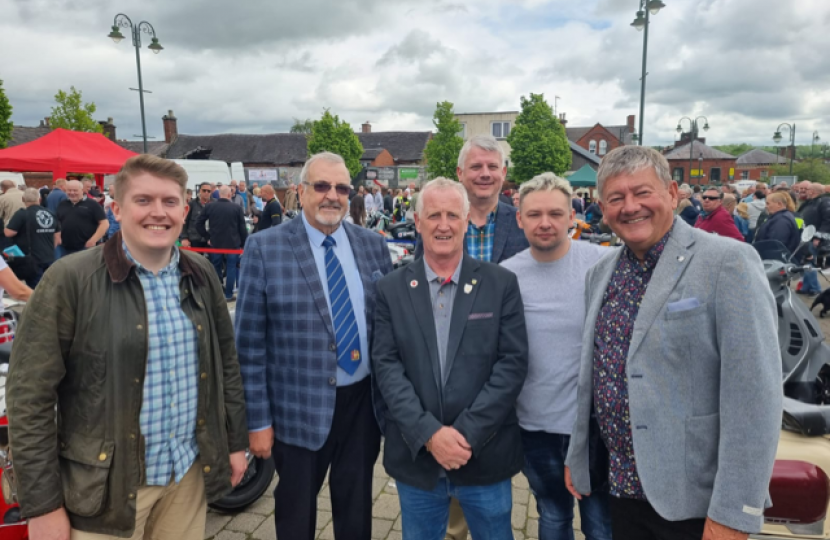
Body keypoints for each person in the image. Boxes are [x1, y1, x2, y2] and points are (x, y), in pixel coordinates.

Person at [6, 154, 249, 540]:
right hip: (104, 493)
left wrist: (237, 444)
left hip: (186, 478)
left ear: (184, 211)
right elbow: (29, 397)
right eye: (143, 200)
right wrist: (44, 505)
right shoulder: (70, 280)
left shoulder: (200, 272)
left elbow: (226, 367)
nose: (159, 213)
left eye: (170, 202)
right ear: (117, 208)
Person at [563, 146, 781, 540]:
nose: (630, 207)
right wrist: (578, 455)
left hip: (693, 502)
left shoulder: (727, 262)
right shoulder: (601, 273)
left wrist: (735, 512)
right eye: (616, 198)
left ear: (672, 192)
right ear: (603, 207)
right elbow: (593, 377)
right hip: (622, 487)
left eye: (642, 192)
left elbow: (755, 398)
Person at [236, 151, 393, 540]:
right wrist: (257, 422)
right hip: (296, 409)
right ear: (301, 191)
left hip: (361, 407)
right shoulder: (265, 248)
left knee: (356, 512)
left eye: (341, 188)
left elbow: (387, 331)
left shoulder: (372, 245)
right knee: (295, 514)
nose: (332, 196)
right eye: (321, 186)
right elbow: (249, 346)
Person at [372, 177, 528, 540]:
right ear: (418, 221)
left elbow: (512, 364)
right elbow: (387, 367)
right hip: (418, 463)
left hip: (484, 456)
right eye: (434, 215)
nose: (443, 225)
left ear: (466, 218)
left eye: (452, 215)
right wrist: (429, 434)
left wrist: (465, 434)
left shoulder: (500, 284)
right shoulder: (390, 289)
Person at [501, 173, 611, 540]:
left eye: (554, 213)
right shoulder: (506, 276)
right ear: (519, 219)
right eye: (533, 214)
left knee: (600, 523)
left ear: (571, 217)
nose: (544, 223)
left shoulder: (604, 264)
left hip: (594, 427)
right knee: (552, 513)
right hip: (534, 425)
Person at [414, 135, 529, 264]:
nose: (485, 174)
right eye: (476, 167)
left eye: (492, 167)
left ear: (503, 173)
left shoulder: (524, 223)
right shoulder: (435, 226)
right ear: (460, 173)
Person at [196, 185, 247, 301]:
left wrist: (207, 236)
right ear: (229, 195)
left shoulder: (210, 206)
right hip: (233, 243)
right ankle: (228, 294)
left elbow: (198, 223)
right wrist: (244, 243)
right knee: (231, 268)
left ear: (219, 195)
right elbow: (242, 227)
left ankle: (218, 291)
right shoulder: (236, 208)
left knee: (216, 266)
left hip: (215, 243)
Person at [4, 188, 61, 287]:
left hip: (31, 260)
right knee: (49, 287)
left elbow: (9, 233)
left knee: (35, 290)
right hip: (49, 258)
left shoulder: (22, 213)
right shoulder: (50, 213)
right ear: (39, 199)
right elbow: (58, 238)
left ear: (23, 199)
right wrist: (49, 249)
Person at [56, 179, 108, 256]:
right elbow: (57, 222)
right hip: (64, 248)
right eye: (69, 190)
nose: (72, 193)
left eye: (75, 190)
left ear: (81, 190)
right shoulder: (62, 204)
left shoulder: (92, 204)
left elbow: (104, 223)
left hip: (85, 247)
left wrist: (93, 240)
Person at [795, 182, 830, 295]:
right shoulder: (810, 202)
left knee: (809, 262)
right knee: (806, 262)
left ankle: (815, 288)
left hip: (814, 237)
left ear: (813, 191)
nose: (805, 191)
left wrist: (818, 237)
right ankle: (806, 287)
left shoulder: (824, 202)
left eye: (807, 189)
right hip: (806, 236)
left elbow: (827, 220)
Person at [181, 182, 213, 249]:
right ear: (200, 191)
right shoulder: (191, 204)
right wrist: (184, 238)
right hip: (195, 239)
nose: (206, 192)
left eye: (209, 191)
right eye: (204, 190)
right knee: (194, 259)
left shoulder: (216, 204)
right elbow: (184, 221)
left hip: (211, 239)